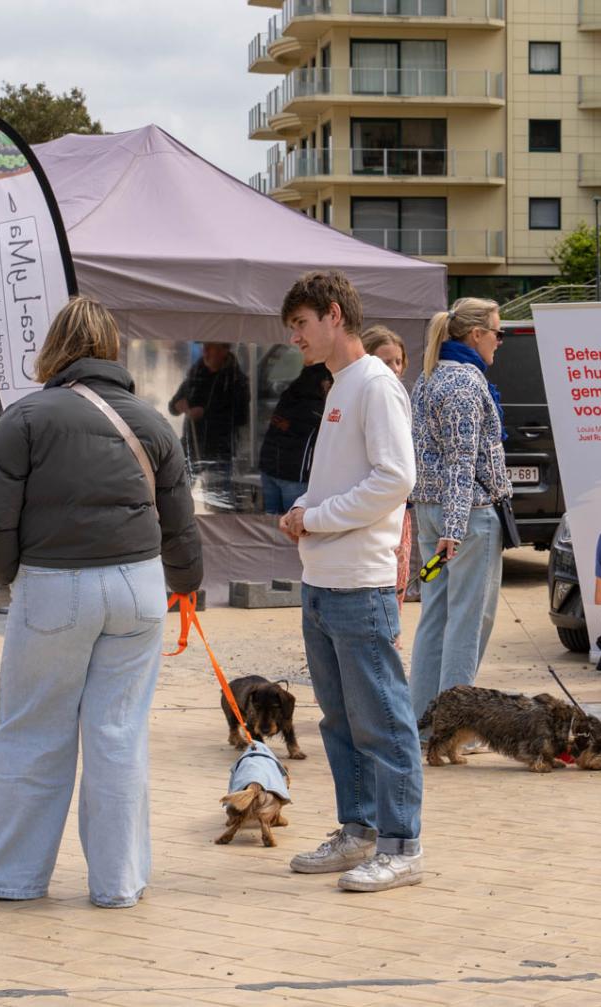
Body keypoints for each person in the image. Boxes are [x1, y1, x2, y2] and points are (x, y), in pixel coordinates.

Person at [0, 296, 203, 907]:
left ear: (55, 348)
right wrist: (186, 582)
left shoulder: (26, 418)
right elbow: (180, 520)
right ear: (111, 349)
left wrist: (10, 574)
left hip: (53, 584)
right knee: (119, 735)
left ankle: (10, 876)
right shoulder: (150, 421)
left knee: (33, 731)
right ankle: (119, 882)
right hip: (139, 587)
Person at [276, 271, 423, 893]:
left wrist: (315, 518)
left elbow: (395, 479)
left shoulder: (375, 385)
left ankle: (401, 845)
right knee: (339, 722)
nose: (296, 338)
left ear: (334, 315)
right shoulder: (342, 385)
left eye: (301, 324)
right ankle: (359, 831)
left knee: (382, 720)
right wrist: (303, 508)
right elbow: (339, 479)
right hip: (325, 579)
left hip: (359, 582)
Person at [407, 298, 511, 726]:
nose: (500, 341)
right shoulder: (467, 382)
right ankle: (451, 726)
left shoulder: (428, 376)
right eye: (498, 333)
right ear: (476, 334)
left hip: (431, 509)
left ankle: (421, 721)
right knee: (468, 623)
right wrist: (454, 527)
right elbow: (462, 460)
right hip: (468, 516)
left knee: (436, 619)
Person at [361, 326, 414, 608]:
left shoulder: (399, 397)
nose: (394, 368)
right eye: (386, 361)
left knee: (397, 584)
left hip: (400, 510)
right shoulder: (363, 396)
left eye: (398, 361)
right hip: (373, 512)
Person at [168, 342, 249, 504]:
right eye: (204, 347)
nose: (204, 351)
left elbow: (241, 417)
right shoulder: (195, 374)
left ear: (224, 351)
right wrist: (178, 406)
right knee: (176, 499)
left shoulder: (235, 379)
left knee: (218, 503)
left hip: (219, 452)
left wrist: (205, 414)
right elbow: (172, 406)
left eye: (210, 347)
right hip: (191, 448)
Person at [258, 360, 332, 515]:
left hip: (268, 465)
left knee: (268, 522)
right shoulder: (320, 408)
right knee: (293, 524)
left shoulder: (289, 394)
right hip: (294, 474)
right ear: (324, 382)